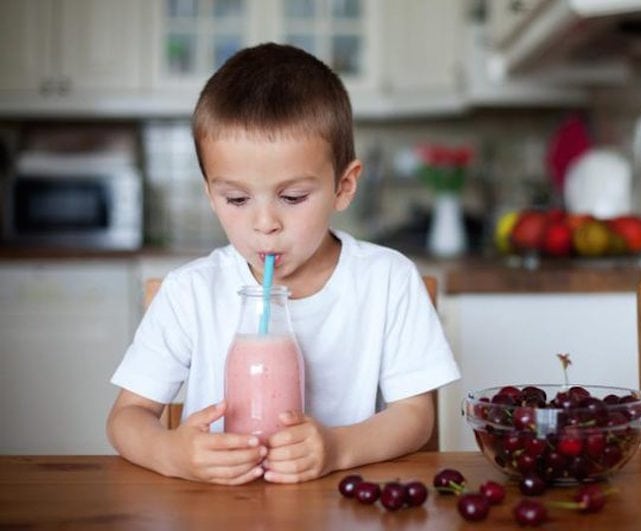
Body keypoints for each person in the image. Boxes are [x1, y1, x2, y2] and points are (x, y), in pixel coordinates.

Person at [106, 43, 461, 485]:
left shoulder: (387, 281)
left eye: (292, 198)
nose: (264, 224)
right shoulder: (190, 293)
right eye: (235, 199)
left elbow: (415, 417)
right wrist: (172, 453)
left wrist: (338, 448)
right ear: (209, 193)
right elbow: (127, 418)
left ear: (344, 186)